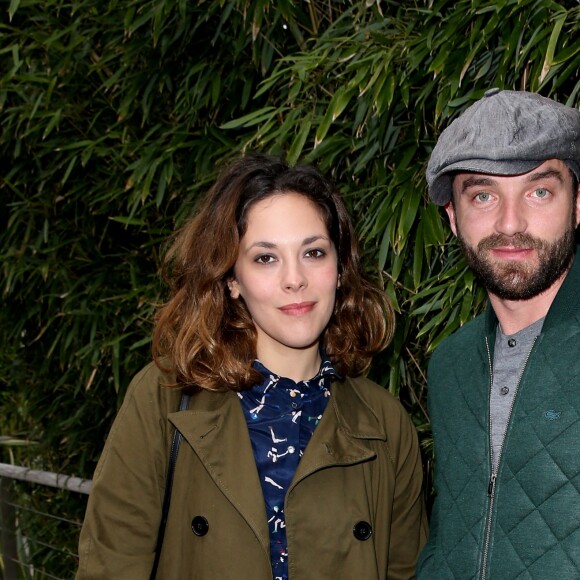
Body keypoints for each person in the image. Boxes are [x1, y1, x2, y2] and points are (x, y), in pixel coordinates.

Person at [77, 154, 427, 579]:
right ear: (232, 279)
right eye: (266, 258)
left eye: (314, 252)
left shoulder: (387, 425)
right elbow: (111, 566)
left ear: (340, 269)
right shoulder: (165, 398)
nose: (294, 279)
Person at [417, 88, 580, 579]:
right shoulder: (450, 365)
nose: (511, 223)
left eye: (539, 191)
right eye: (484, 195)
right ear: (452, 217)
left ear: (577, 205)